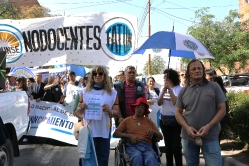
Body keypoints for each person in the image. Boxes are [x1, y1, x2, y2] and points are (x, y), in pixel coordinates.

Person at [175, 59, 226, 166]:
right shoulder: (183, 91)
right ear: (189, 72)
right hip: (188, 137)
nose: (197, 71)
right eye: (193, 69)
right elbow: (178, 113)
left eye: (199, 68)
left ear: (203, 70)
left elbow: (222, 109)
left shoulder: (214, 86)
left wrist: (209, 126)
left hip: (210, 136)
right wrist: (187, 127)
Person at [76, 65, 122, 166]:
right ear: (92, 76)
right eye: (95, 73)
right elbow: (78, 113)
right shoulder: (84, 92)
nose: (98, 75)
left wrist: (110, 111)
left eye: (100, 73)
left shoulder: (113, 93)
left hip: (104, 131)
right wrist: (81, 108)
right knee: (87, 158)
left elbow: (117, 112)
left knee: (102, 159)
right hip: (89, 131)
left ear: (105, 75)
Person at [113, 97, 163, 166]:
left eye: (142, 107)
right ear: (134, 108)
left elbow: (161, 137)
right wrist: (129, 136)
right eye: (138, 106)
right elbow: (116, 133)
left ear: (145, 110)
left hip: (147, 146)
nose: (139, 109)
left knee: (151, 158)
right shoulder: (127, 120)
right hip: (132, 146)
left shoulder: (149, 122)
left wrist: (154, 132)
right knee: (137, 157)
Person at [157, 69, 183, 166]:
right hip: (164, 120)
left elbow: (175, 102)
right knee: (168, 146)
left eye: (165, 77)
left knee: (176, 146)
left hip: (176, 120)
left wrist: (170, 90)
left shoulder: (179, 89)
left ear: (170, 78)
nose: (163, 79)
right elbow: (159, 103)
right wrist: (163, 93)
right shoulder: (162, 89)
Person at [212, 75, 229, 143]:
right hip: (220, 117)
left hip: (220, 117)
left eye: (211, 81)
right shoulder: (221, 90)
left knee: (216, 135)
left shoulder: (220, 92)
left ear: (216, 82)